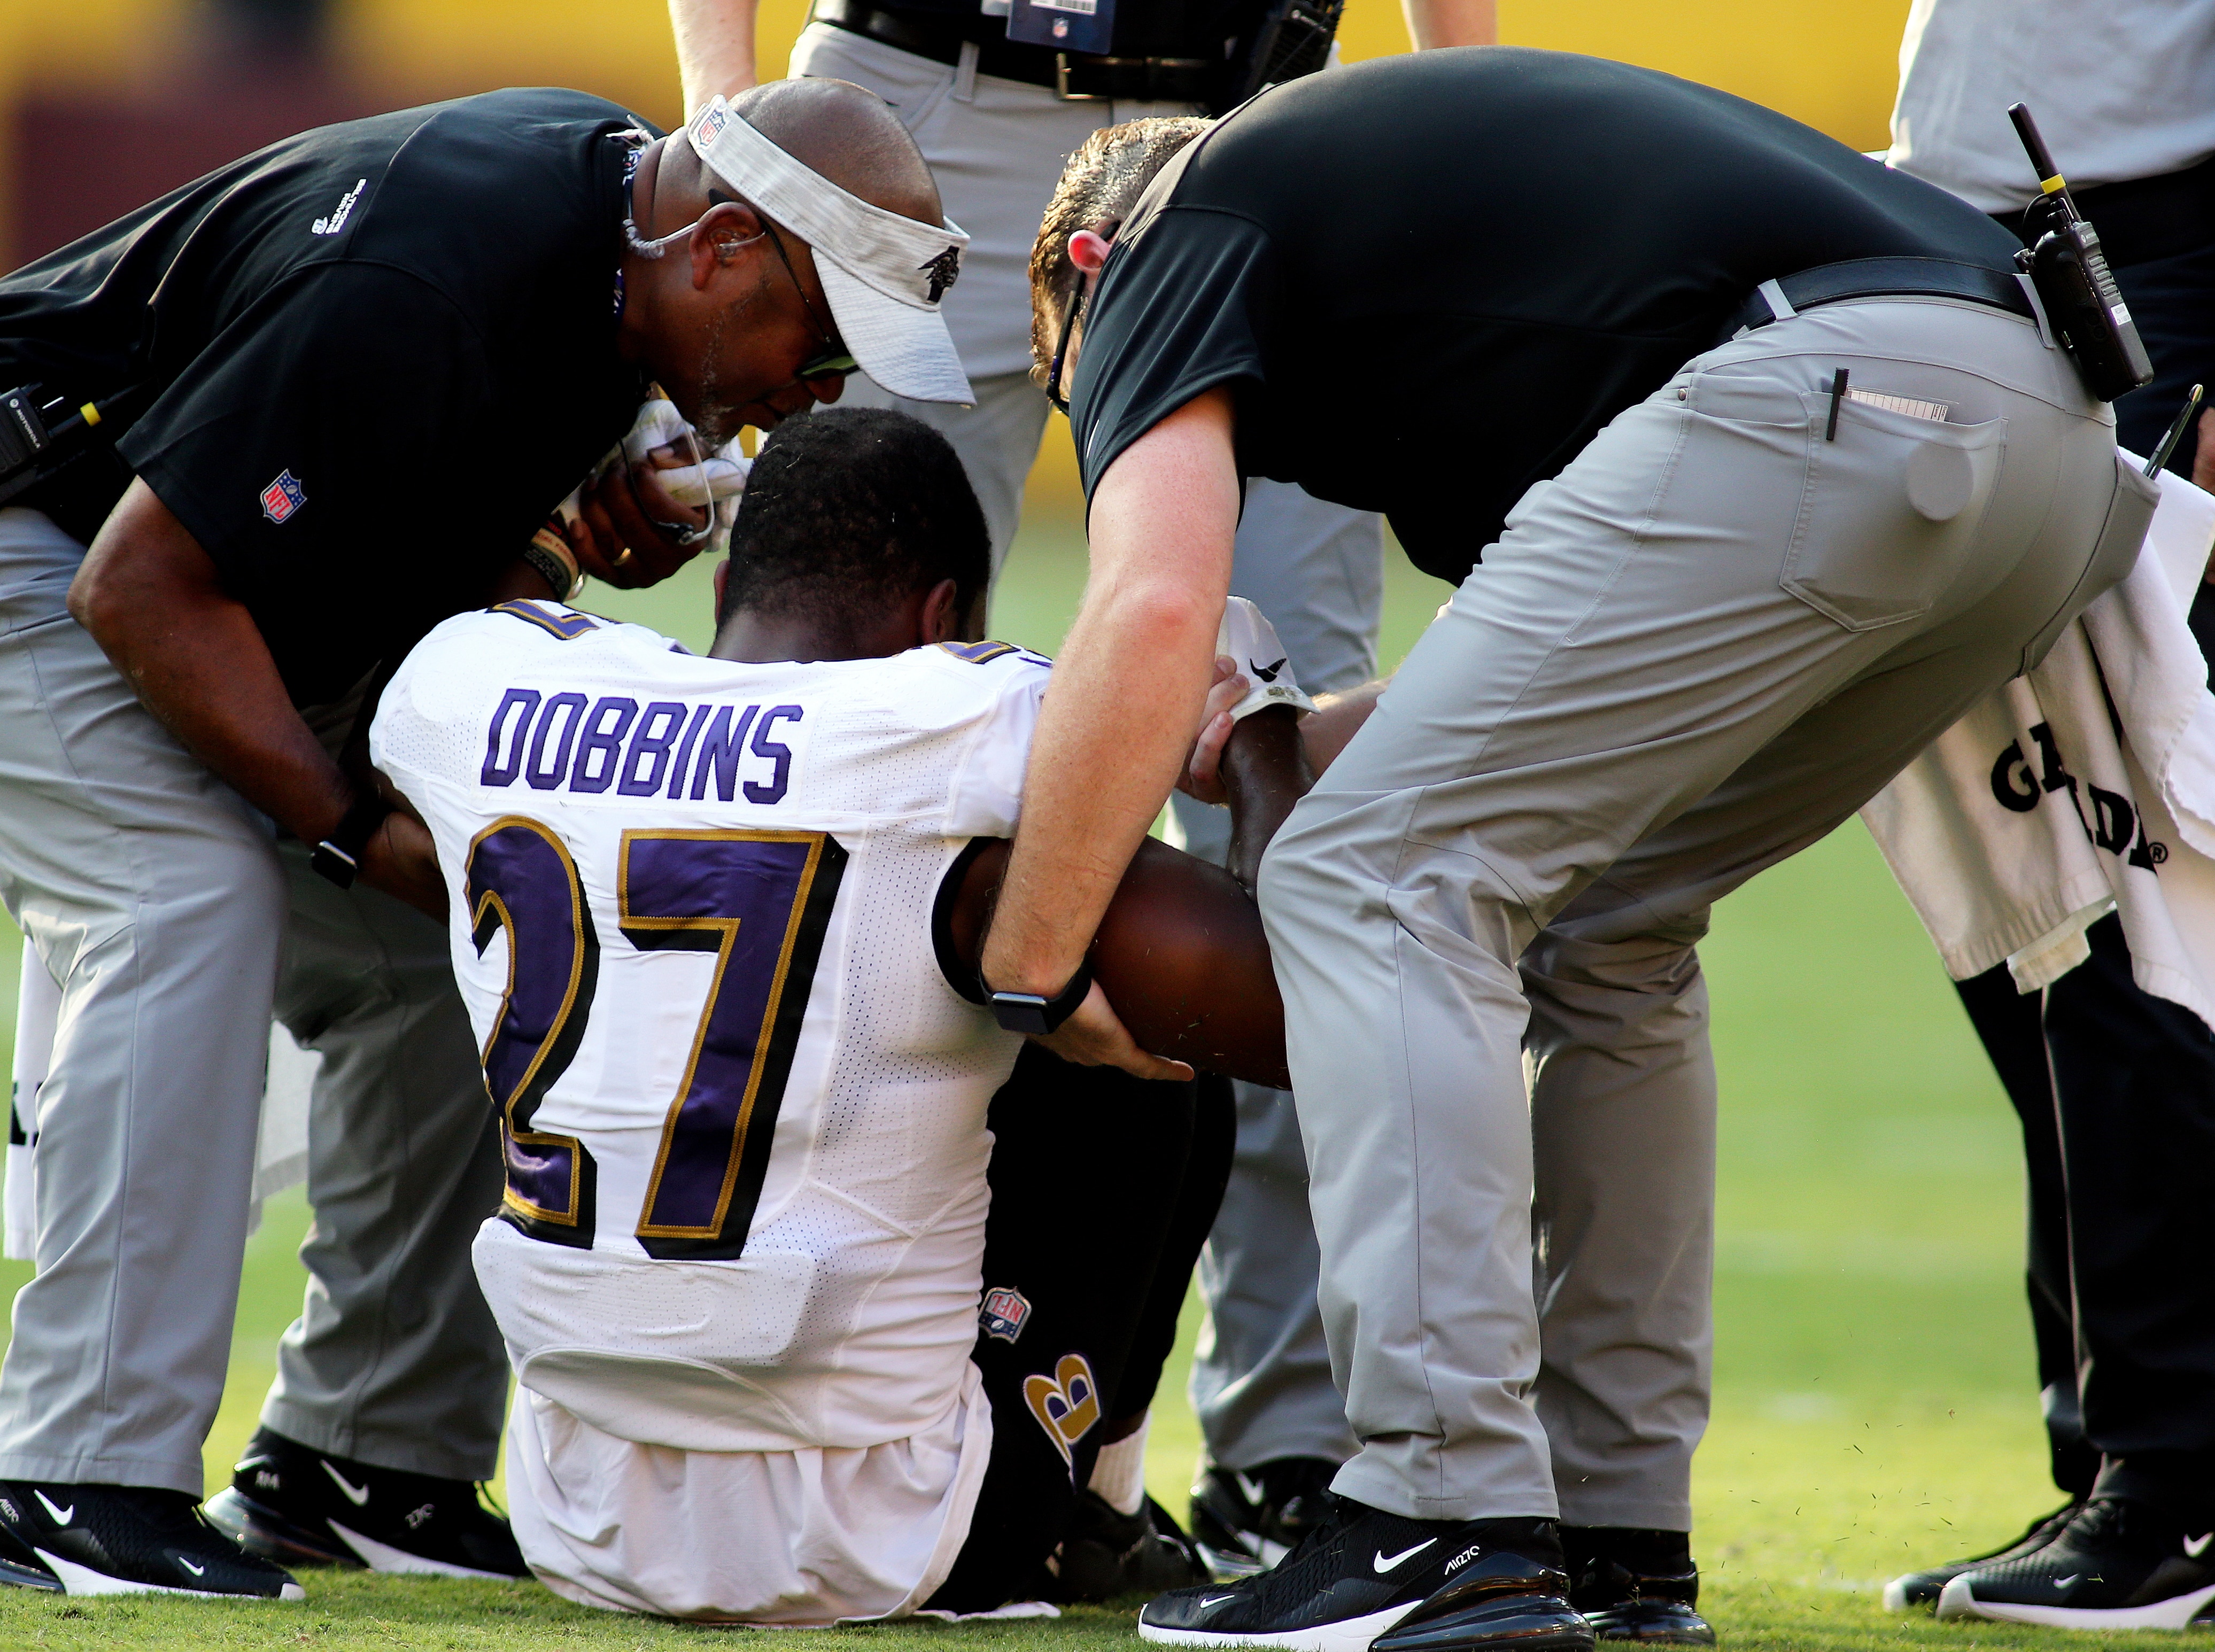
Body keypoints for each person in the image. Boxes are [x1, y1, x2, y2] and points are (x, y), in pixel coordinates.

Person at [983, 49, 2159, 1652]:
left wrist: (1028, 973)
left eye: (1082, 383)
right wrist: (1268, 734)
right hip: (2046, 449)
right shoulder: (1444, 293)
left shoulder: (1170, 228)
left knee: (1381, 883)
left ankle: (1435, 1515)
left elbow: (1152, 603)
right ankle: (1614, 1531)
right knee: (1608, 918)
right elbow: (1536, 709)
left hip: (1838, 397)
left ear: (1087, 272)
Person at [0, 77, 970, 1598]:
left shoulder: (605, 255)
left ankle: (365, 1457)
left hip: (125, 540)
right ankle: (72, 1479)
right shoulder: (431, 276)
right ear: (726, 249)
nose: (812, 396)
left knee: (453, 933)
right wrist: (357, 824)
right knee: (185, 896)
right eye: (815, 346)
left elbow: (384, 544)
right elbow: (143, 585)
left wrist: (553, 547)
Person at [662, 0, 1490, 1570]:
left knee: (1309, 825)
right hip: (918, 110)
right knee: (835, 770)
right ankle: (777, 1365)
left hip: (1253, 116)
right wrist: (731, 107)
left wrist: (1454, 96)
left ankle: (1300, 1446)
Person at [368, 406, 1329, 1620]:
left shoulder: (480, 681)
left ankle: (1092, 1502)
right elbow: (1321, 995)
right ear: (942, 622)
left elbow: (466, 664)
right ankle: (1095, 1510)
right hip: (900, 1534)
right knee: (1101, 1009)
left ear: (728, 584)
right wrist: (1258, 736)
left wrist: (565, 537)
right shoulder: (961, 719)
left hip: (583, 1510)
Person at [1873, 1, 2215, 1628]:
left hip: (2150, 252)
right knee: (2036, 885)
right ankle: (2118, 1450)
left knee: (2128, 870)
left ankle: (2177, 1470)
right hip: (1968, 239)